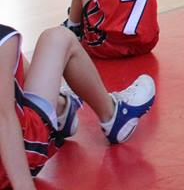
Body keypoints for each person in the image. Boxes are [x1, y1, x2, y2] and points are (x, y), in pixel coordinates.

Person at [0, 23, 156, 189]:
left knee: (12, 62)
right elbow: (4, 118)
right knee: (59, 37)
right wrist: (23, 185)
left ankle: (61, 107)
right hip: (17, 160)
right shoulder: (4, 41)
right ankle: (112, 115)